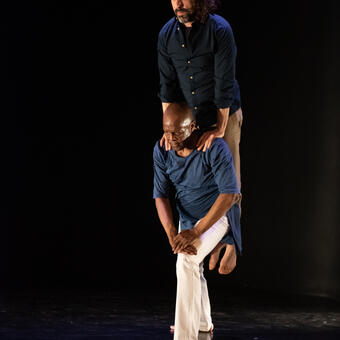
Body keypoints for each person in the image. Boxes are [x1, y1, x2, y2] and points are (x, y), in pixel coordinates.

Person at [157, 0, 243, 275]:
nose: (178, 4)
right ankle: (210, 236)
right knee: (196, 179)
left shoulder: (220, 30)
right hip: (188, 119)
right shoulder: (167, 34)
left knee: (229, 181)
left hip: (223, 112)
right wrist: (168, 127)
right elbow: (167, 85)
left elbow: (224, 80)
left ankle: (231, 242)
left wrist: (219, 126)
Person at [153, 102, 241, 339]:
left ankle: (184, 336)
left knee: (186, 262)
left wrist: (196, 231)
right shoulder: (162, 149)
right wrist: (173, 233)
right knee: (191, 265)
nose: (170, 138)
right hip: (187, 217)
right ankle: (202, 322)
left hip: (218, 216)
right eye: (166, 131)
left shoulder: (214, 148)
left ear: (192, 127)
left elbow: (230, 195)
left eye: (176, 132)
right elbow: (160, 196)